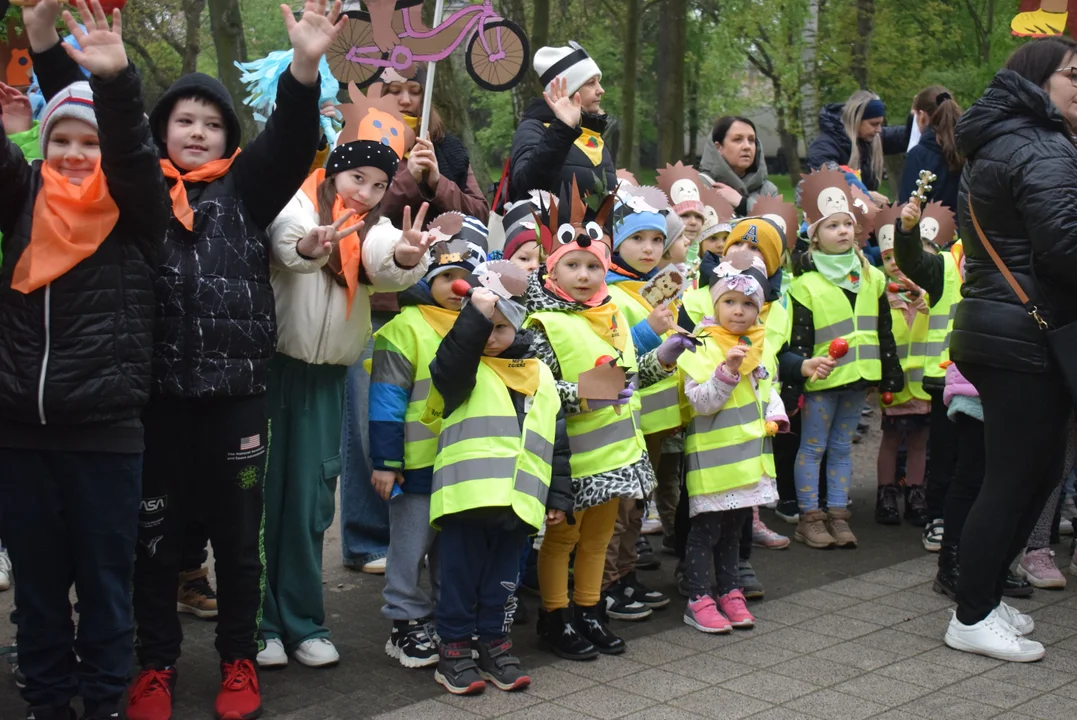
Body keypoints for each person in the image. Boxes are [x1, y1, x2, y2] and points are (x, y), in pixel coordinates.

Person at [41, 1, 344, 717]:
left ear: (227, 137)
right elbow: (113, 138)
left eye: (211, 123)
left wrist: (303, 67)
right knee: (156, 543)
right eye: (184, 121)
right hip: (154, 402)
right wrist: (111, 76)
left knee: (239, 543)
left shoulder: (249, 191)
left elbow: (293, 138)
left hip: (237, 396)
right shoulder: (139, 195)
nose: (199, 132)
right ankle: (156, 666)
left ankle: (239, 660)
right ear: (162, 132)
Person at [0, 2, 170, 717]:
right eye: (61, 138)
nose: (74, 153)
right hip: (20, 434)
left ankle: (102, 702)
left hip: (105, 435)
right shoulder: (21, 197)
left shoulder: (133, 209)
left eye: (87, 142)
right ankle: (46, 700)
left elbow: (132, 152)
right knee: (38, 591)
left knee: (104, 586)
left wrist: (116, 81)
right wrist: (38, 39)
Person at [257, 88, 433, 670]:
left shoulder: (369, 227)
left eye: (379, 185)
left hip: (326, 383)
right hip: (272, 377)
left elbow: (385, 260)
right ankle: (261, 625)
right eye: (357, 177)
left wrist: (409, 255)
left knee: (312, 504)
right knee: (262, 501)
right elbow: (290, 245)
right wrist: (310, 246)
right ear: (334, 173)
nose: (367, 192)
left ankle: (305, 620)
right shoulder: (297, 205)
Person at [942, 37, 1077, 663]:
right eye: (1073, 75)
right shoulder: (1041, 145)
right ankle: (971, 614)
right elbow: (1065, 246)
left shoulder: (1003, 141)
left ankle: (986, 596)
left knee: (1034, 472)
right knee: (1016, 476)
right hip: (1027, 331)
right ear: (1037, 82)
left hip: (1005, 327)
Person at [522, 188, 693, 660]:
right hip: (572, 459)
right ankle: (555, 619)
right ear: (551, 269)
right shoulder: (540, 325)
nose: (583, 276)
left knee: (598, 539)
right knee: (563, 540)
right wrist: (585, 394)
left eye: (592, 267)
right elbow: (535, 394)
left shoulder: (612, 310)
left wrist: (663, 356)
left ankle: (589, 612)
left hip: (618, 452)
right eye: (572, 266)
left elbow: (629, 375)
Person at [427, 276, 573, 695]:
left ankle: (494, 644)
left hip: (520, 503)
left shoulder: (539, 373)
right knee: (459, 579)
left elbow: (556, 441)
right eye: (484, 328)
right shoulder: (462, 369)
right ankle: (453, 651)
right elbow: (449, 365)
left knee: (503, 584)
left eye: (501, 327)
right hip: (468, 500)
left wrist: (557, 496)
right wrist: (475, 314)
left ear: (519, 328)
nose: (491, 337)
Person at [374, 220, 487, 670]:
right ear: (425, 281)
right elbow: (385, 398)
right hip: (416, 463)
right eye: (444, 277)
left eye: (465, 279)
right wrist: (385, 460)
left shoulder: (482, 325)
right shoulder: (406, 326)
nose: (457, 286)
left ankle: (449, 619)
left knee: (452, 547)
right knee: (409, 545)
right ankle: (404, 622)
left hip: (462, 462)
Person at [788, 169, 903, 550]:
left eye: (847, 225)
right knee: (813, 446)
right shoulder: (805, 283)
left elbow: (883, 329)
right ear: (814, 234)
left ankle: (838, 514)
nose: (842, 231)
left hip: (858, 377)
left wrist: (889, 374)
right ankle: (810, 516)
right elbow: (799, 338)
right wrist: (797, 380)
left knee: (841, 447)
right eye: (832, 225)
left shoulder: (871, 277)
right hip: (822, 380)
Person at [677, 257, 789, 633]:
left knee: (734, 530)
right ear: (714, 303)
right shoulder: (700, 345)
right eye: (729, 302)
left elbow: (767, 388)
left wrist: (777, 414)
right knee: (705, 532)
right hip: (713, 463)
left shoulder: (759, 343)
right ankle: (697, 596)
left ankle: (730, 591)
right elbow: (702, 401)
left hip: (749, 459)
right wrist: (726, 371)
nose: (738, 311)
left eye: (748, 304)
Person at [600, 187, 678, 621]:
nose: (649, 248)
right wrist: (651, 329)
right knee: (619, 510)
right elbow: (614, 354)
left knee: (636, 506)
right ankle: (607, 583)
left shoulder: (654, 287)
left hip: (656, 419)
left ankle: (625, 575)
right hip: (627, 416)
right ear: (617, 242)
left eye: (655, 240)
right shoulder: (611, 292)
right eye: (637, 240)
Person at [874, 204, 934, 528]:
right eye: (888, 260)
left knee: (919, 442)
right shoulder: (882, 300)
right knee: (890, 440)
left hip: (922, 385)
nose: (897, 268)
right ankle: (885, 495)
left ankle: (915, 493)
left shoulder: (930, 299)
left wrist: (925, 299)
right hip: (894, 388)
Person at [378, 66, 490, 225]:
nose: (405, 100)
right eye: (395, 91)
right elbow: (365, 212)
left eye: (415, 91)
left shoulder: (447, 147)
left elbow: (481, 214)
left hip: (446, 247)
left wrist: (438, 183)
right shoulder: (366, 143)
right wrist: (409, 179)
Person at [508, 42, 616, 202]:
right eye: (591, 83)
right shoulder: (533, 129)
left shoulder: (594, 135)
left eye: (598, 82)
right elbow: (527, 189)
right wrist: (563, 129)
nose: (601, 90)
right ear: (569, 90)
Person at [807, 90, 909, 199]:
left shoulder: (869, 139)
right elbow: (830, 180)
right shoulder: (824, 146)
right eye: (874, 124)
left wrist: (917, 116)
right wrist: (866, 196)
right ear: (856, 119)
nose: (879, 130)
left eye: (881, 124)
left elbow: (905, 136)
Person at [898, 87, 963, 213]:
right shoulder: (968, 150)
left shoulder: (919, 155)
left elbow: (906, 207)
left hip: (929, 229)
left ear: (922, 116)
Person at [698, 116, 780, 216]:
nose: (747, 146)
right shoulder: (698, 185)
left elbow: (777, 226)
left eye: (751, 140)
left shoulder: (767, 191)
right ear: (718, 147)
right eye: (737, 139)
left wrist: (743, 204)